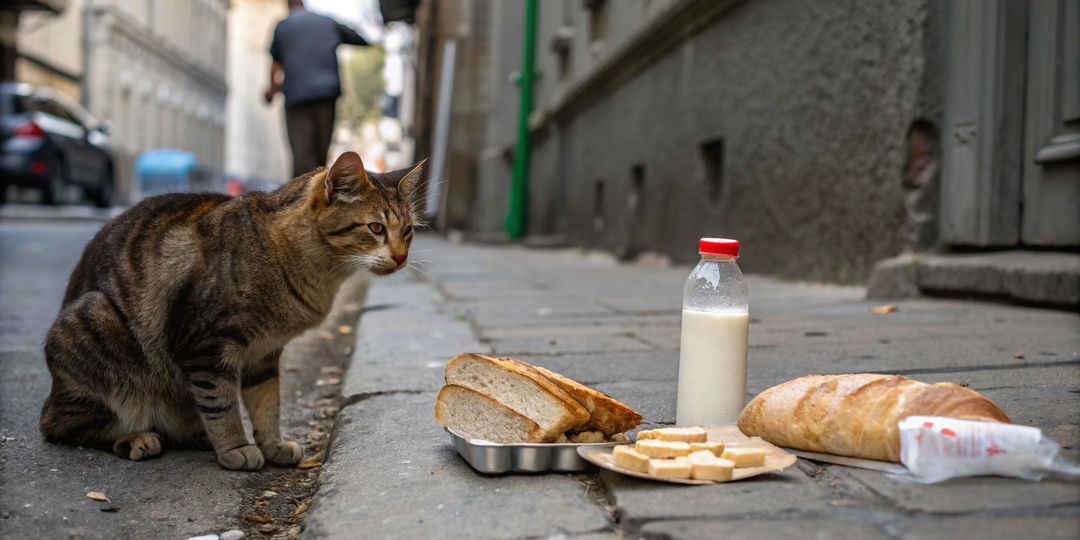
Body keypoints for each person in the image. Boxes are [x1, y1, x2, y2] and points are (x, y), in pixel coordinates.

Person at [265, 0, 368, 178]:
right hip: (326, 95)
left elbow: (276, 64)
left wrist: (272, 90)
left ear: (288, 5)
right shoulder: (326, 21)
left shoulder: (283, 27)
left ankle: (302, 198)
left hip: (297, 98)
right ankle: (318, 193)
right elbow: (359, 39)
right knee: (320, 155)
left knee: (302, 157)